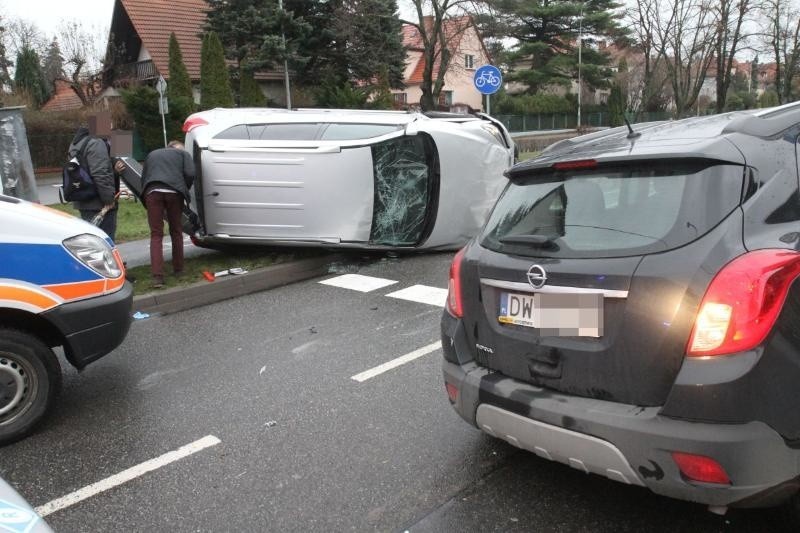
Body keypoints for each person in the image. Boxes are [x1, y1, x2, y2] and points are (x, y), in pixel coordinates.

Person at [139, 141, 195, 288]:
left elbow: (143, 176)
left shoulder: (152, 154)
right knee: (176, 230)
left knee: (156, 234)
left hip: (152, 192)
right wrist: (183, 188)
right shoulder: (183, 153)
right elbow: (190, 173)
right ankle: (179, 270)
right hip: (174, 192)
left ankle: (157, 277)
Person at [68, 127, 119, 240]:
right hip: (99, 202)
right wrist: (109, 200)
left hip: (83, 197)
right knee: (105, 240)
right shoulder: (96, 143)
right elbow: (100, 174)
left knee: (92, 240)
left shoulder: (76, 142)